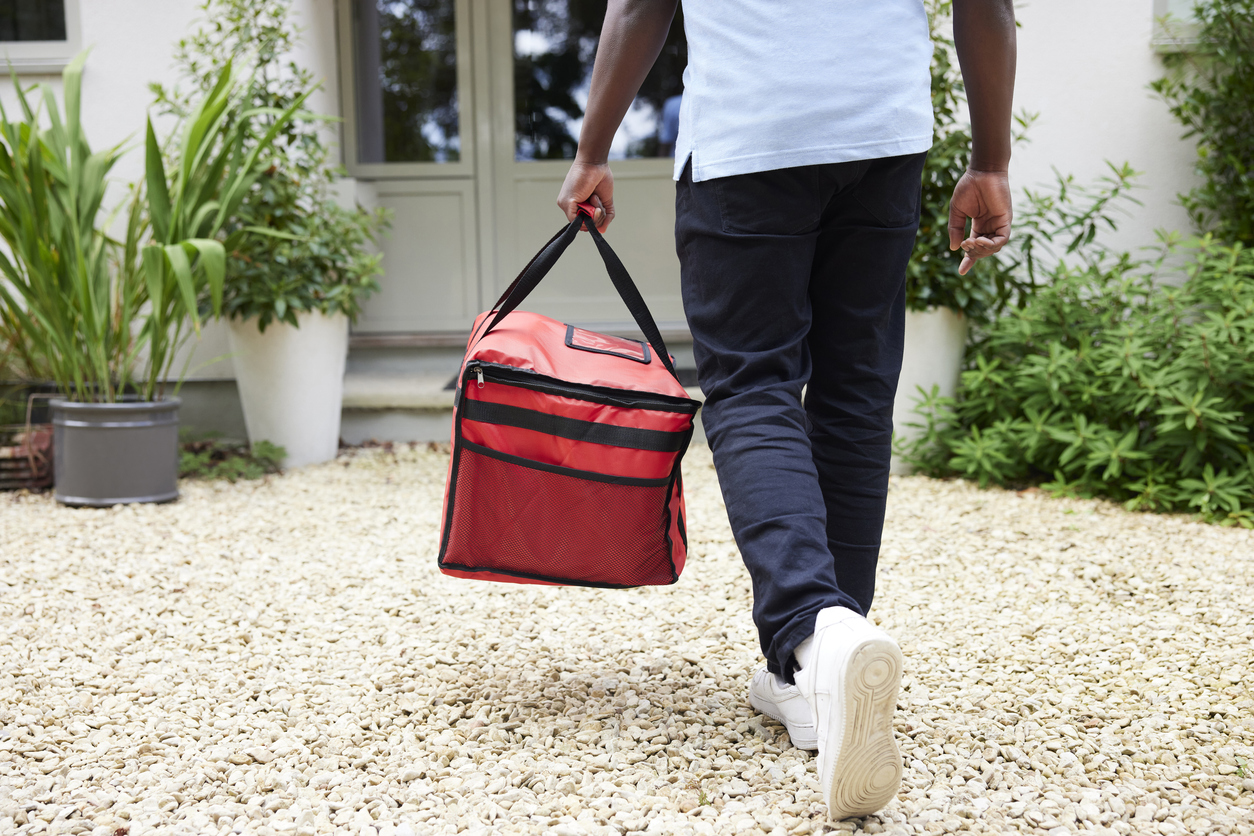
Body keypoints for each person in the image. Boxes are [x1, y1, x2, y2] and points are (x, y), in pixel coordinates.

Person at [557, 0, 1016, 821]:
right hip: (881, 130)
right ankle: (813, 674)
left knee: (753, 385)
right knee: (855, 393)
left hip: (749, 132)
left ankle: (815, 630)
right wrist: (991, 161)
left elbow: (639, 6)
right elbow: (988, 4)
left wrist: (593, 150)